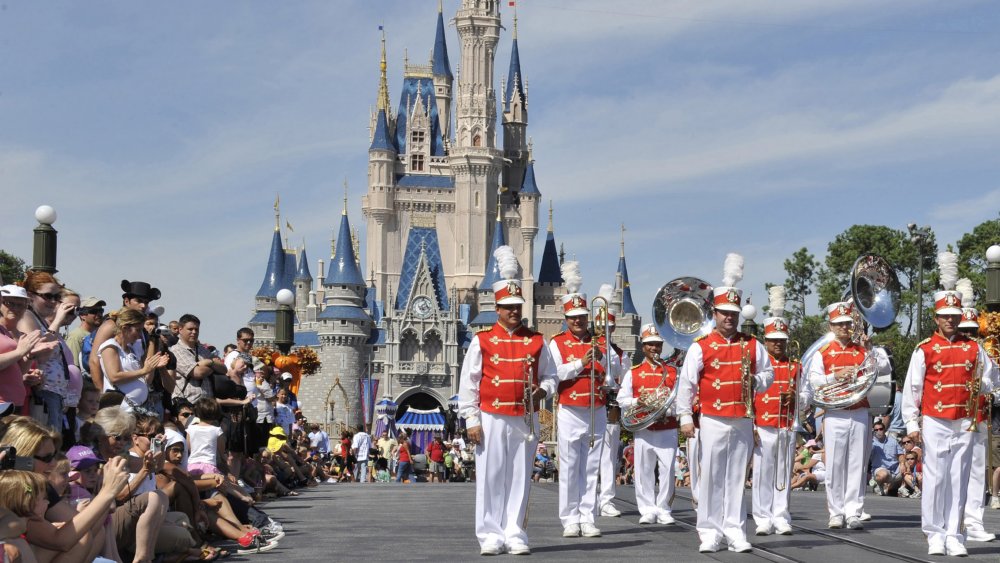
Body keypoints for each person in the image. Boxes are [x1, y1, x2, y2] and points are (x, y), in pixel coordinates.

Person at [458, 246, 558, 556]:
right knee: (490, 475)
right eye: (508, 306)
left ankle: (515, 532)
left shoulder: (536, 340)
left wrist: (543, 391)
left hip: (523, 418)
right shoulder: (482, 340)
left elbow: (551, 377)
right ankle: (490, 533)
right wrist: (471, 420)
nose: (514, 311)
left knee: (519, 477)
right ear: (498, 307)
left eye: (517, 306)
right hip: (491, 415)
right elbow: (469, 382)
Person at [676, 253, 774, 554]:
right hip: (713, 418)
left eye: (732, 313)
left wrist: (757, 382)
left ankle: (734, 530)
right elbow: (687, 383)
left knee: (736, 477)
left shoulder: (752, 344)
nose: (729, 317)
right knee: (711, 477)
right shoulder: (701, 347)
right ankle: (709, 531)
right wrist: (685, 417)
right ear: (714, 313)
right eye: (723, 313)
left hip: (743, 417)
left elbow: (768, 373)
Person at [902, 276, 999, 556]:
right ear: (936, 318)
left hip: (966, 420)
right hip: (935, 419)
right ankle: (934, 533)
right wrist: (911, 422)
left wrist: (984, 387)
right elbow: (913, 388)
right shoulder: (925, 349)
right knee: (935, 476)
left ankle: (955, 534)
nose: (950, 321)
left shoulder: (974, 347)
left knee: (960, 476)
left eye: (954, 316)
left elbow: (991, 376)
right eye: (945, 316)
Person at [805, 300, 890, 531]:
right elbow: (813, 382)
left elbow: (885, 368)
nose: (844, 328)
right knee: (835, 464)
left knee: (857, 463)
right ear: (831, 326)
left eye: (847, 323)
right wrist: (837, 376)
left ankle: (854, 511)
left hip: (860, 410)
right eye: (839, 324)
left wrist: (871, 347)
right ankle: (836, 512)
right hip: (835, 412)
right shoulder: (822, 353)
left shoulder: (863, 349)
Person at [549, 262, 618, 540]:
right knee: (569, 466)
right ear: (566, 317)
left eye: (581, 316)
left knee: (591, 467)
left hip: (596, 408)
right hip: (569, 408)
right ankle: (569, 518)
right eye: (573, 316)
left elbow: (614, 371)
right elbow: (555, 373)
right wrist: (580, 362)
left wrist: (602, 356)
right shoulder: (557, 342)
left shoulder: (600, 341)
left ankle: (587, 517)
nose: (578, 321)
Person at [616, 323, 679, 525]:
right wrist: (639, 402)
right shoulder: (633, 372)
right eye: (650, 344)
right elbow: (621, 400)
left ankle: (664, 509)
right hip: (643, 429)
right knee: (643, 471)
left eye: (657, 345)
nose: (654, 348)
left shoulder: (672, 372)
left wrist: (666, 411)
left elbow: (679, 401)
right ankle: (647, 509)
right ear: (643, 347)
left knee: (668, 470)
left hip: (667, 427)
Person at [752, 299, 798, 536]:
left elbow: (808, 393)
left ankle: (781, 516)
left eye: (782, 340)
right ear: (765, 342)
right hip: (763, 425)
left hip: (786, 425)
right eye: (773, 340)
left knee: (783, 472)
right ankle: (762, 517)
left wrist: (797, 396)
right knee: (762, 473)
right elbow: (747, 396)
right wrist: (751, 425)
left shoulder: (795, 365)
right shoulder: (757, 367)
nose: (778, 344)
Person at [955, 284, 997, 542]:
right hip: (950, 419)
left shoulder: (981, 352)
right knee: (951, 473)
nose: (969, 336)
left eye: (973, 331)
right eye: (965, 331)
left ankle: (974, 522)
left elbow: (992, 380)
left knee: (976, 471)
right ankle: (952, 523)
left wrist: (984, 386)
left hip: (977, 418)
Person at [89, 280, 159, 390]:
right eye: (139, 301)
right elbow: (94, 361)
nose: (143, 305)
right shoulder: (111, 325)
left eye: (146, 302)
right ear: (127, 301)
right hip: (113, 396)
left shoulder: (143, 331)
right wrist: (101, 395)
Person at [98, 309, 169, 414]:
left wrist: (152, 367)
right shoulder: (110, 346)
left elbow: (146, 380)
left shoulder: (132, 349)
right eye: (138, 330)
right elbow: (114, 376)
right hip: (120, 411)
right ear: (125, 328)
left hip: (138, 409)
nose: (140, 335)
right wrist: (144, 370)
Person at [594, 285, 625, 518]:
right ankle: (586, 499)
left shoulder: (619, 352)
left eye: (610, 326)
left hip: (610, 404)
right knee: (588, 456)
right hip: (588, 405)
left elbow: (620, 375)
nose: (607, 330)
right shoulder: (590, 346)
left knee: (609, 456)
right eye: (603, 326)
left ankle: (606, 499)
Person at [0, 285, 48, 410]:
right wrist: (20, 352)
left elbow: (19, 371)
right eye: (10, 303)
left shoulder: (23, 337)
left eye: (21, 305)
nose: (15, 308)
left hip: (19, 401)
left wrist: (31, 357)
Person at [169, 314, 225, 403]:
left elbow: (224, 369)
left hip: (208, 404)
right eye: (190, 329)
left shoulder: (202, 349)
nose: (194, 332)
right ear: (180, 330)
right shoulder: (176, 351)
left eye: (196, 329)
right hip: (189, 404)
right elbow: (198, 373)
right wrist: (213, 365)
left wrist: (209, 362)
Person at [65, 297, 105, 370]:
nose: (99, 314)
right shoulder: (76, 336)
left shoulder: (99, 335)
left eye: (101, 311)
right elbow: (73, 367)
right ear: (82, 315)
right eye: (94, 311)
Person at [869, 421, 904, 496]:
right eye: (876, 430)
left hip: (895, 470)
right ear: (873, 431)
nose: (879, 431)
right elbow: (868, 451)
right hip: (881, 469)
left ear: (884, 430)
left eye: (881, 429)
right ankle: (879, 483)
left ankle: (904, 488)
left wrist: (902, 464)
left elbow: (901, 455)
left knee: (908, 466)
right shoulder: (871, 443)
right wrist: (870, 437)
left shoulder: (893, 441)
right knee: (883, 475)